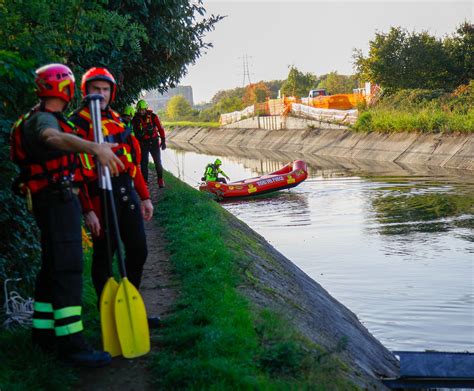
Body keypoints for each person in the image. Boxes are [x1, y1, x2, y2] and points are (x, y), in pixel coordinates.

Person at [10, 63, 124, 367]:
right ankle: (73, 345)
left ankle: (44, 335)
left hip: (55, 200)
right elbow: (52, 138)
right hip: (57, 201)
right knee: (68, 270)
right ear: (66, 88)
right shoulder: (43, 120)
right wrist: (94, 148)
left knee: (51, 268)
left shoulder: (43, 117)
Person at [68, 67, 159, 327]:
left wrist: (144, 197)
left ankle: (130, 305)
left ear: (111, 91)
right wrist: (88, 210)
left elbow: (133, 163)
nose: (101, 94)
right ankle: (108, 313)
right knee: (104, 256)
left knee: (138, 249)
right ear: (86, 92)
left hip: (124, 192)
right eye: (95, 89)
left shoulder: (118, 121)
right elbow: (76, 172)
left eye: (105, 89)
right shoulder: (78, 124)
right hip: (98, 196)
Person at [131, 99, 166, 188]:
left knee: (158, 162)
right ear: (137, 110)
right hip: (143, 143)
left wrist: (163, 141)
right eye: (140, 110)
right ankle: (145, 182)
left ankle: (160, 180)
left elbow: (160, 128)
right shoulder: (135, 119)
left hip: (154, 142)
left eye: (143, 110)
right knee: (144, 163)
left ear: (146, 109)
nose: (141, 112)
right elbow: (133, 132)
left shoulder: (153, 117)